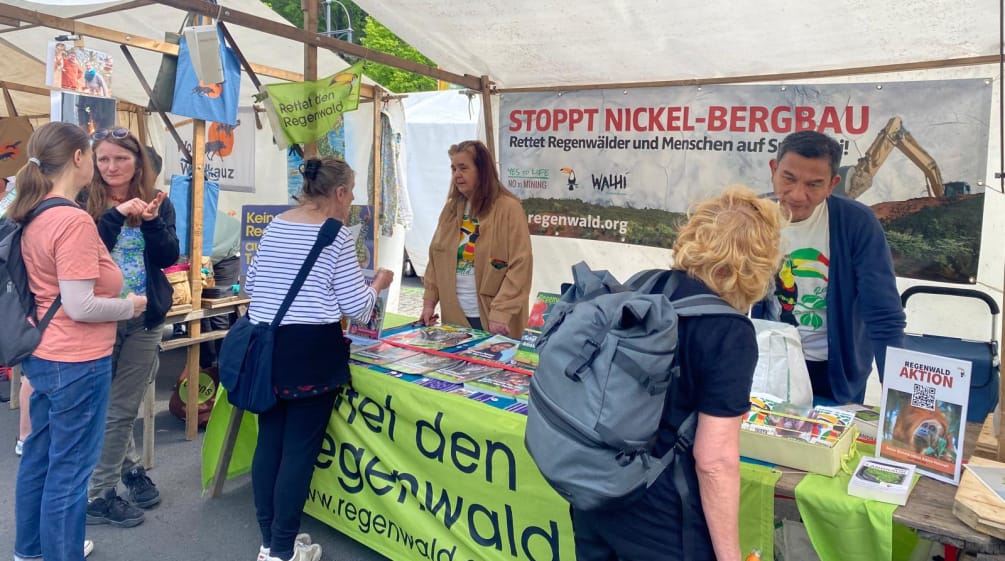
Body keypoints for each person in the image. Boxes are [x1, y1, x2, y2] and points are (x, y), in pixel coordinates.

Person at [572, 186, 784, 561]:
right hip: (663, 515)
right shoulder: (730, 333)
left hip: (595, 492)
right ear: (758, 262)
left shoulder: (643, 284)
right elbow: (714, 461)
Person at [244, 157, 393, 561]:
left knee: (269, 444)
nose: (352, 201)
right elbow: (357, 307)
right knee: (298, 452)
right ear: (340, 193)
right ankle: (281, 549)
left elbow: (250, 282)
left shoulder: (276, 225)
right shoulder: (337, 236)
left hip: (268, 348)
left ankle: (268, 543)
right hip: (310, 351)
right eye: (353, 192)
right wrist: (378, 283)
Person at [11, 121, 145, 561]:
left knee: (39, 458)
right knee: (69, 473)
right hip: (77, 361)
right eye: (93, 154)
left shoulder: (32, 210)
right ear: (78, 158)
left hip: (42, 353)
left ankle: (30, 551)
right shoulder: (71, 220)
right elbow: (80, 304)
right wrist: (130, 306)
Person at [752, 130, 906, 404]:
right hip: (771, 362)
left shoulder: (857, 223)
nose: (798, 195)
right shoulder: (754, 216)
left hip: (836, 372)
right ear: (774, 170)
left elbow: (883, 315)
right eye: (788, 178)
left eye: (814, 184)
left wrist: (900, 398)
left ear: (832, 184)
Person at [81, 128, 178, 528]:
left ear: (138, 161)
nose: (111, 166)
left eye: (120, 158)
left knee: (122, 406)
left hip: (144, 318)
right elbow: (84, 253)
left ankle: (117, 479)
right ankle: (103, 491)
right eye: (103, 159)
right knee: (107, 406)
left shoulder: (158, 201)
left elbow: (169, 257)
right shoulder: (84, 201)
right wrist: (115, 216)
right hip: (98, 315)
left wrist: (152, 222)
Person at [420, 140, 533, 338]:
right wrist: (429, 303)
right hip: (454, 316)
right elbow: (435, 258)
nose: (457, 174)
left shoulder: (509, 208)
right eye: (454, 168)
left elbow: (521, 265)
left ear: (482, 170)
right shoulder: (451, 209)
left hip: (492, 318)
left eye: (463, 168)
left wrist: (501, 311)